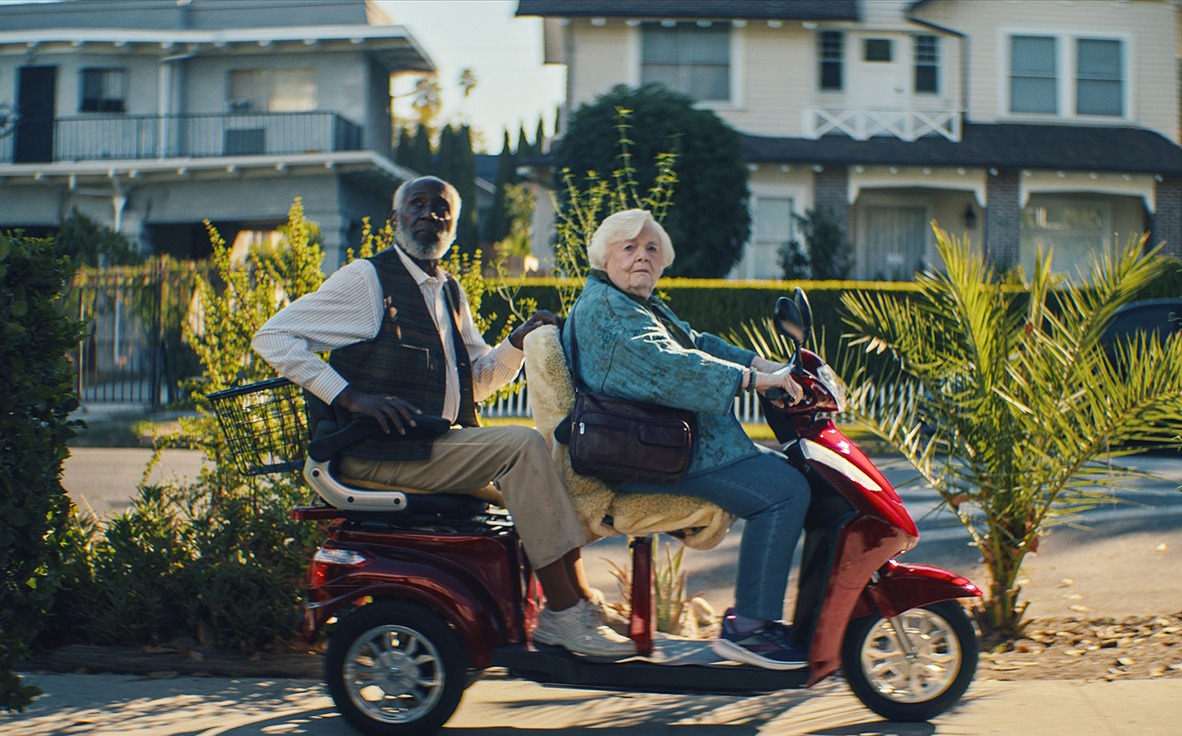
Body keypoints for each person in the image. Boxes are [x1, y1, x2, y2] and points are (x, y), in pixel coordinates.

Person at [252, 176, 630, 658]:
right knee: (522, 447)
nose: (430, 214)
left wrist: (516, 342)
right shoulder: (366, 280)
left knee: (550, 476)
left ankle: (578, 603)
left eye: (442, 208)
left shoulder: (447, 289)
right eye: (417, 205)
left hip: (427, 446)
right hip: (377, 452)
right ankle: (563, 616)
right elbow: (273, 337)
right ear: (395, 220)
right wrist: (350, 397)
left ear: (453, 226)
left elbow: (475, 380)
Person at [565, 208, 813, 671]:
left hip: (666, 445)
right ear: (605, 257)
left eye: (651, 249)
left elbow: (694, 342)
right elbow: (666, 366)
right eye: (629, 247)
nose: (641, 257)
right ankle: (751, 628)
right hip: (644, 455)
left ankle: (760, 617)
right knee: (786, 491)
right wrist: (750, 381)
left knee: (793, 473)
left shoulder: (636, 304)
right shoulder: (607, 311)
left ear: (662, 264)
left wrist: (763, 366)